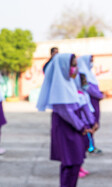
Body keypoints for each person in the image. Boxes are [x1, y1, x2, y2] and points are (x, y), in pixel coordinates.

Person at [37, 53, 94, 187]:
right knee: (70, 162)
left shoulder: (70, 84)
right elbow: (67, 112)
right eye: (73, 65)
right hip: (67, 129)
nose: (76, 68)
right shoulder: (59, 88)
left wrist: (85, 124)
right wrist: (82, 126)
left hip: (75, 128)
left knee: (75, 162)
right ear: (64, 66)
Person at [77, 55, 104, 154]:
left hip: (93, 103)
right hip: (87, 102)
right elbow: (88, 88)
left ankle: (90, 145)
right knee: (89, 124)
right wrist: (100, 95)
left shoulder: (90, 74)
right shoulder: (81, 74)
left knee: (94, 123)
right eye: (90, 61)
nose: (92, 63)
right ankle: (89, 146)